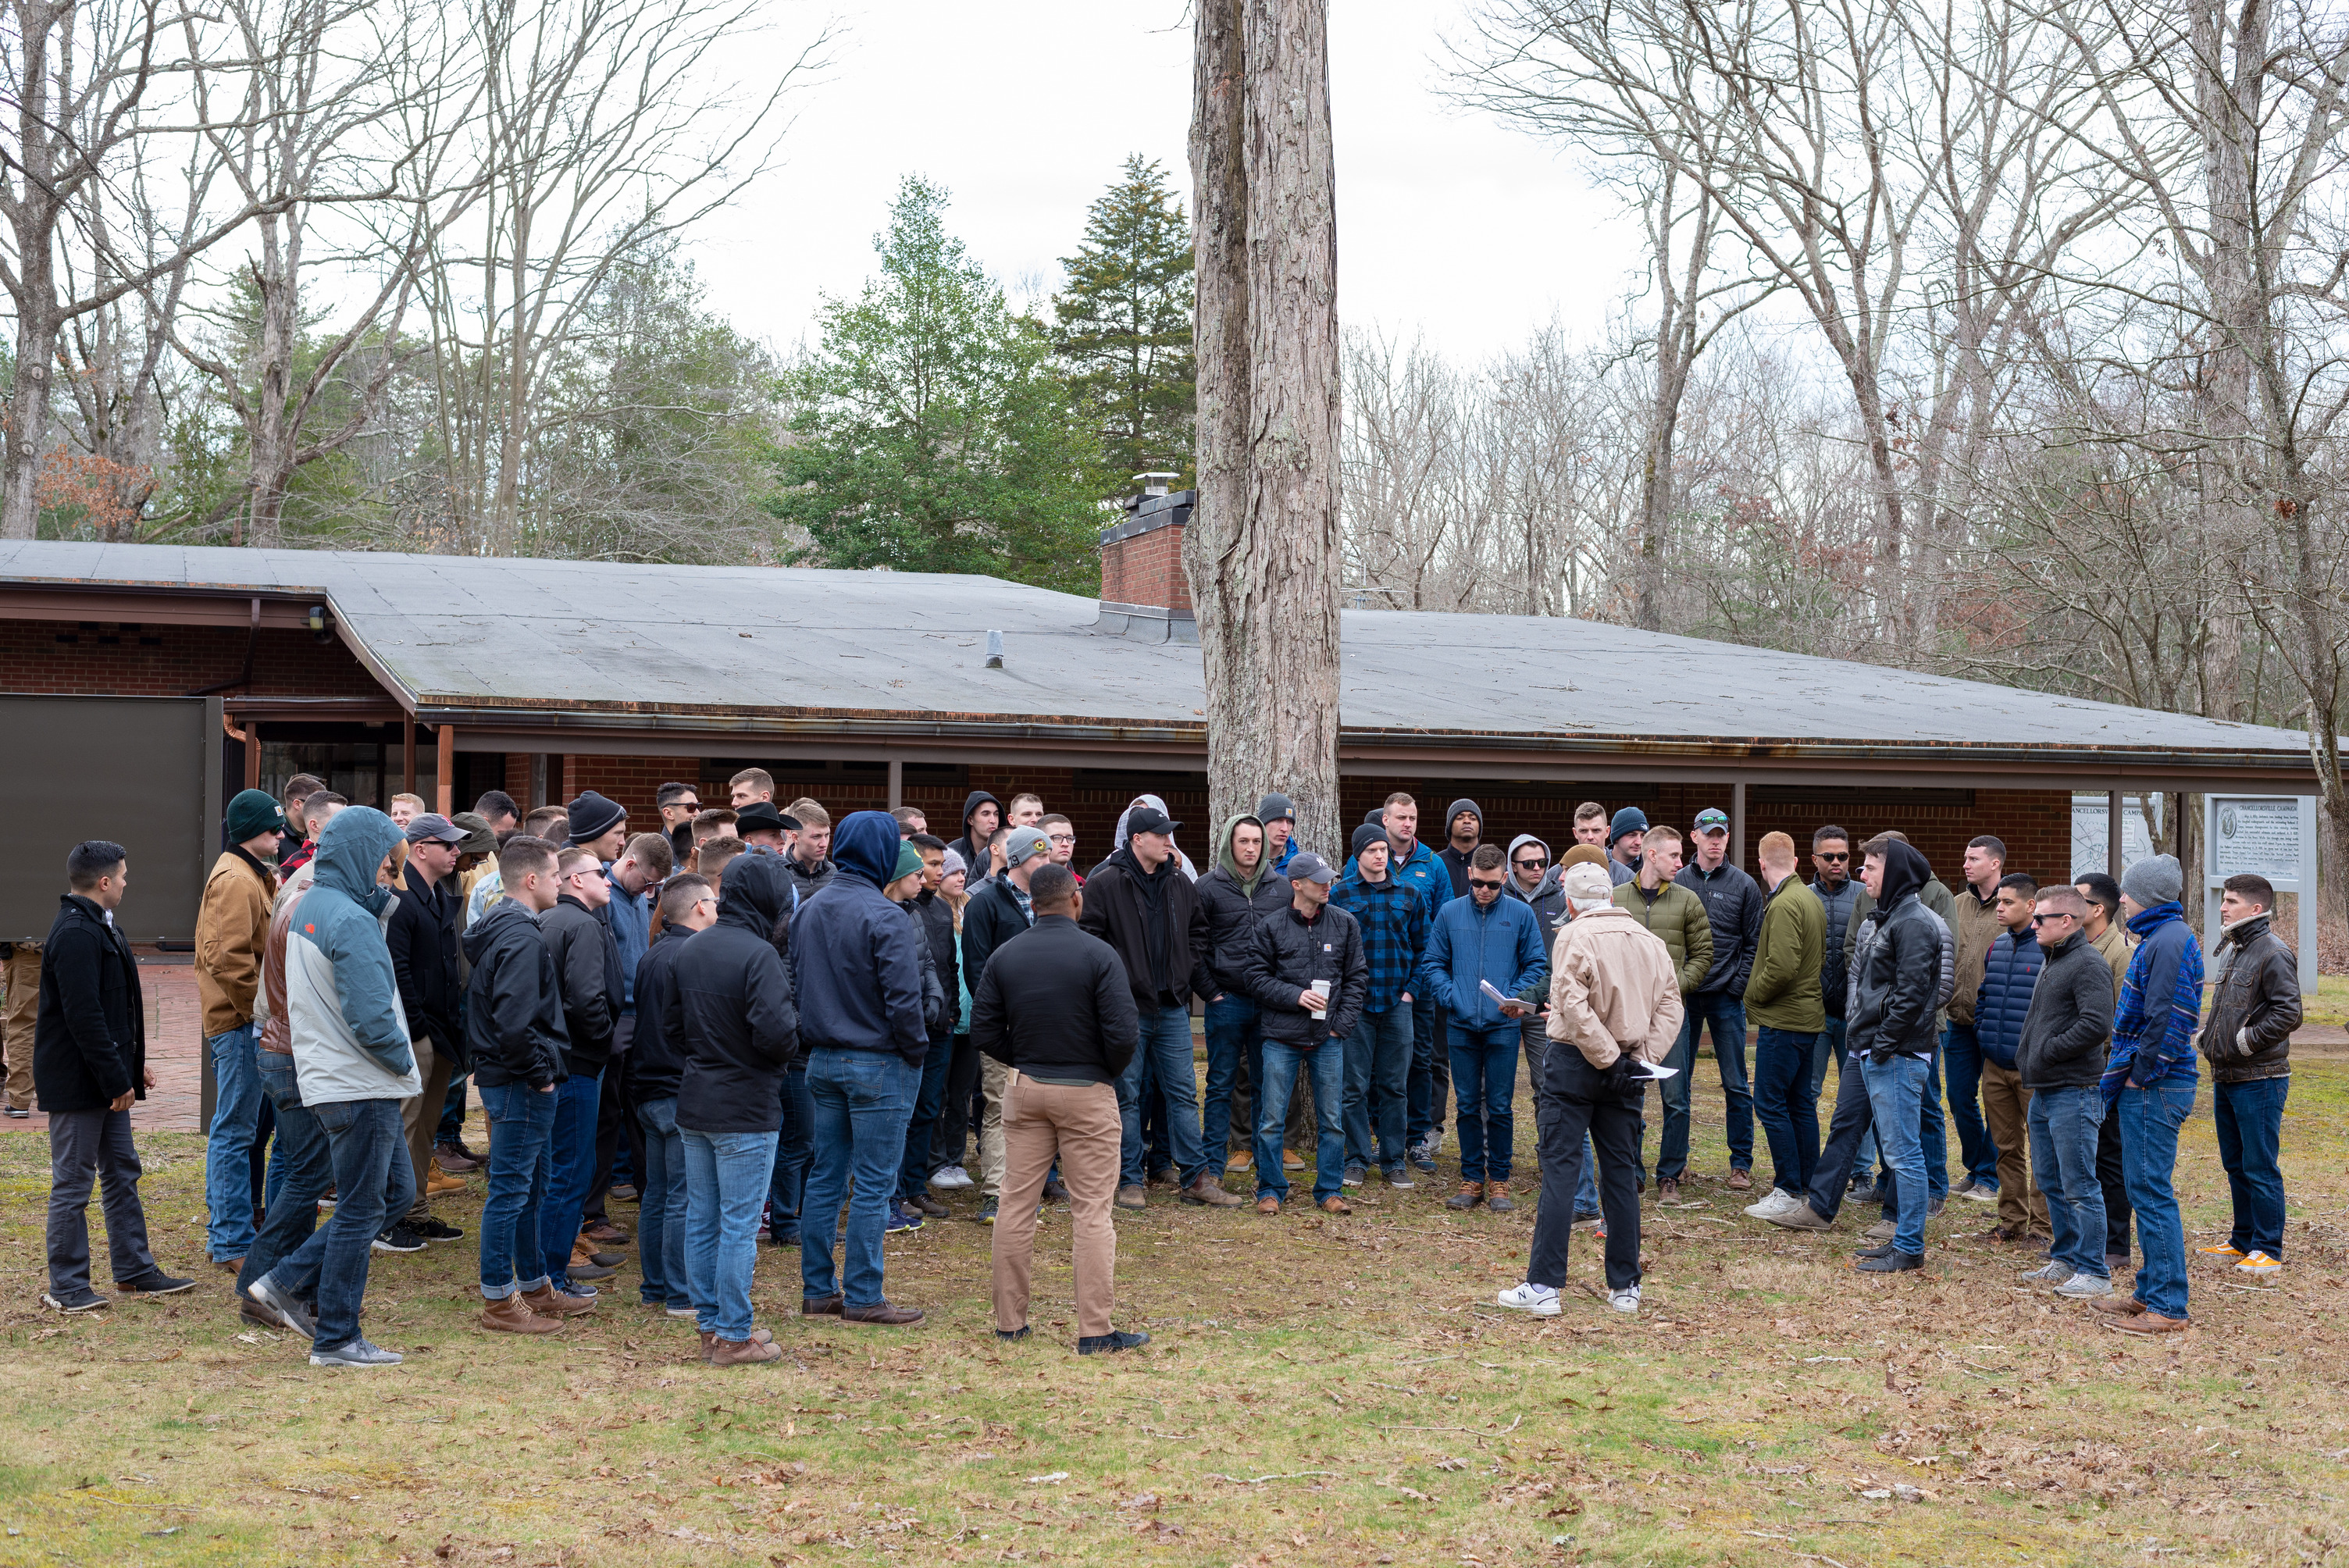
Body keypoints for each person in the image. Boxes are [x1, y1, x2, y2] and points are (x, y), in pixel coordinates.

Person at [247, 808, 421, 1366]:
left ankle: (287, 1283)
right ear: (362, 854)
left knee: (392, 1195)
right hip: (360, 1081)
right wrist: (404, 1064)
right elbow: (373, 1020)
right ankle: (337, 1335)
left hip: (335, 1078)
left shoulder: (315, 906)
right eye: (385, 862)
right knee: (360, 1208)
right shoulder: (345, 918)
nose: (389, 875)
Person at [975, 862, 1146, 1351]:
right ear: (1076, 899)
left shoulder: (1006, 955)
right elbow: (1123, 1033)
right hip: (1086, 1090)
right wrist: (1100, 1070)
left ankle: (1009, 1322)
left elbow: (985, 1031)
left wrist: (1025, 1057)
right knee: (1091, 1210)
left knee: (1014, 1203)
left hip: (1026, 1087)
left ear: (1032, 902)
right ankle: (1095, 1330)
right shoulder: (1099, 954)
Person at [1499, 861, 1682, 1317]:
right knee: (1620, 1173)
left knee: (1561, 1169)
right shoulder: (1651, 942)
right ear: (1611, 898)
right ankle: (1625, 1287)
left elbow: (1572, 1004)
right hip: (1627, 1066)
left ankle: (1544, 1285)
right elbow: (1671, 1005)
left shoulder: (1573, 936)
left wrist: (1610, 1058)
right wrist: (1640, 1060)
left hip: (1577, 1064)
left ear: (1570, 903)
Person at [37, 842, 194, 1312]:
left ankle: (134, 1270)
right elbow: (84, 1018)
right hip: (80, 1085)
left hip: (105, 1080)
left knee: (122, 1171)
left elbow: (114, 1010)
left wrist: (131, 1066)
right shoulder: (75, 934)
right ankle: (67, 1286)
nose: (127, 882)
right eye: (123, 875)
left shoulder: (102, 928)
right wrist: (115, 1079)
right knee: (74, 1182)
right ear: (104, 882)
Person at [793, 811, 930, 1324]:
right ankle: (865, 1295)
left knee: (826, 1177)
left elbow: (797, 981)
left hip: (822, 1059)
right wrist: (915, 1050)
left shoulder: (811, 906)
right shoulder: (885, 914)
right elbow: (903, 999)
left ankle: (818, 1289)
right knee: (874, 1183)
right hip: (878, 1061)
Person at [664, 851, 799, 1362]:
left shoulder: (692, 948)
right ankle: (734, 1334)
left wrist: (710, 1054)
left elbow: (672, 1028)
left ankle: (712, 1328)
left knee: (704, 1217)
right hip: (745, 1105)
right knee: (738, 1224)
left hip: (697, 1100)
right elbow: (777, 1034)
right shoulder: (758, 954)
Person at [1080, 804, 1238, 1210]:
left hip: (1171, 1007)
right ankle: (1130, 1180)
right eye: (1162, 835)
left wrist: (1183, 971)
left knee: (1184, 1093)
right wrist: (1116, 986)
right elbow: (1090, 942)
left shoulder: (1180, 884)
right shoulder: (1104, 883)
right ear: (1137, 840)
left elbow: (1198, 933)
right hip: (1125, 1009)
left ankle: (1196, 1179)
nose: (1170, 841)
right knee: (1127, 1095)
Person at [458, 836, 582, 1334]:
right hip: (519, 1083)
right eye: (555, 876)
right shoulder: (523, 938)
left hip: (514, 1078)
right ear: (531, 880)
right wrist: (540, 1076)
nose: (561, 884)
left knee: (533, 1186)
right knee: (511, 1190)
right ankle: (498, 1302)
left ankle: (533, 1286)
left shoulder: (506, 929)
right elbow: (514, 1023)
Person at [2093, 854, 2203, 1335]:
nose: (2122, 901)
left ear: (2149, 897)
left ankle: (2168, 1307)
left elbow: (2170, 1018)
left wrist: (2141, 1074)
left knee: (2152, 1194)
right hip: (2151, 1082)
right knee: (2143, 1189)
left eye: (2129, 893)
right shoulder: (2158, 938)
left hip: (2156, 1086)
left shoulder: (2169, 941)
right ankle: (2148, 1290)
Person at [1237, 853, 1367, 1214]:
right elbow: (1254, 977)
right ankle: (1270, 1190)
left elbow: (1357, 977)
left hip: (1328, 1038)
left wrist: (1341, 1026)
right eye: (1319, 880)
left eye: (1329, 879)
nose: (1328, 885)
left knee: (1331, 1120)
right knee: (1271, 1120)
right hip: (1280, 1037)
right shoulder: (1271, 926)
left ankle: (1328, 1190)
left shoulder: (1345, 924)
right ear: (1297, 884)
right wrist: (1295, 996)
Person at [1422, 844, 1547, 1213]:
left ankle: (1500, 1179)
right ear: (1471, 876)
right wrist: (1453, 997)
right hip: (1461, 1024)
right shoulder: (1449, 913)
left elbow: (1537, 964)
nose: (1484, 891)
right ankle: (1472, 1177)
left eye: (1492, 885)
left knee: (1500, 1106)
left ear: (1504, 878)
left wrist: (1516, 998)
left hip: (1502, 1025)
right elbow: (1433, 964)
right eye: (1477, 883)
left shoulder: (1521, 915)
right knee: (1466, 1105)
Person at [197, 789, 287, 1270]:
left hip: (247, 1021)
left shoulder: (254, 873)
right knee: (234, 1131)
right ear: (251, 832)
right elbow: (227, 958)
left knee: (248, 1129)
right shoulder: (235, 878)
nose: (280, 836)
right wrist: (260, 1014)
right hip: (238, 1024)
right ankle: (230, 1241)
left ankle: (239, 1228)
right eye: (274, 830)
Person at [1845, 838, 1944, 1272]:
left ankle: (1909, 1247)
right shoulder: (1890, 917)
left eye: (1869, 867)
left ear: (1895, 872)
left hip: (1899, 1054)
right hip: (1882, 1050)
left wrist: (1882, 1046)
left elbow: (1911, 995)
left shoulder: (1915, 923)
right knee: (1897, 1152)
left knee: (1905, 1154)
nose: (1861, 874)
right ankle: (1902, 1241)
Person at [2194, 873, 2301, 1278]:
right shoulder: (2236, 949)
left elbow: (2289, 1012)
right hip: (2228, 1076)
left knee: (2259, 1164)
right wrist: (2209, 1037)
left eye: (2232, 901)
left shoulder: (2272, 951)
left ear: (2256, 909)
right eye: (2224, 900)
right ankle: (2242, 1239)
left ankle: (2268, 1248)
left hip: (2261, 1077)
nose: (2223, 907)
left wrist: (2242, 1042)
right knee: (2235, 1163)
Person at [2013, 885, 2117, 1299]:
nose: (2033, 923)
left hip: (2074, 1091)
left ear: (2067, 923)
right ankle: (2067, 1258)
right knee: (2051, 1181)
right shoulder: (2053, 960)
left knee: (2079, 1184)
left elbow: (2096, 1025)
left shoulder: (2087, 964)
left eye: (2041, 918)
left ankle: (2094, 1272)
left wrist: (2048, 1051)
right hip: (2045, 1090)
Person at [540, 846, 625, 1293]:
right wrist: (607, 1043)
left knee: (556, 1169)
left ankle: (551, 1262)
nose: (608, 880)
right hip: (578, 1062)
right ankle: (553, 1275)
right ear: (576, 880)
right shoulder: (583, 925)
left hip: (554, 1059)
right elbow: (586, 1000)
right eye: (600, 873)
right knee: (572, 1170)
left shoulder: (550, 919)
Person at [1610, 825, 1710, 1199]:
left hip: (1671, 1017)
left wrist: (1672, 991)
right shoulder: (1616, 897)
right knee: (1627, 1092)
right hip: (1626, 1015)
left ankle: (1670, 1173)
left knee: (1676, 1096)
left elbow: (1703, 955)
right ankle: (1631, 1171)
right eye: (1674, 856)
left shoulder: (1687, 901)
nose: (1680, 863)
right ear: (1652, 855)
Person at [385, 813, 469, 1247]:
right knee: (404, 1125)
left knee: (425, 1128)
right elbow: (397, 971)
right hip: (419, 1034)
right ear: (420, 849)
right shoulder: (401, 901)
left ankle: (414, 1210)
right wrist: (417, 1030)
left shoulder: (436, 895)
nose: (457, 852)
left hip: (439, 1033)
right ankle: (388, 1218)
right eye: (448, 845)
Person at [633, 874, 714, 1320]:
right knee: (682, 1195)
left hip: (647, 1086)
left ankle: (655, 1287)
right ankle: (680, 1293)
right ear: (700, 906)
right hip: (676, 1087)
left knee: (658, 1195)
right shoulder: (691, 953)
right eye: (715, 901)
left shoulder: (653, 953)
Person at [1332, 823, 1428, 1190]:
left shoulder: (1410, 894)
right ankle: (1356, 1159)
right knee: (1353, 1087)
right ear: (1358, 855)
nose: (1379, 855)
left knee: (1394, 1086)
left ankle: (1392, 1160)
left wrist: (1410, 991)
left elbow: (1424, 948)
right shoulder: (1339, 895)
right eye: (1372, 850)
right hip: (1354, 1006)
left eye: (1384, 850)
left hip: (1396, 1003)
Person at [1197, 814, 1290, 1185]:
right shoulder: (1207, 888)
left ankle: (1268, 1171)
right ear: (1229, 844)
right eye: (1243, 842)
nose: (1251, 849)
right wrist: (1211, 993)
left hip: (1269, 1004)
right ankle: (1213, 1169)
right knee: (1220, 1085)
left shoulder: (1281, 889)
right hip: (1226, 1001)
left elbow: (1290, 946)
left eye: (1256, 842)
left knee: (1268, 1086)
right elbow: (1195, 948)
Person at [959, 827, 1045, 1220]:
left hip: (1048, 1026)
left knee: (1040, 1109)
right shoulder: (985, 903)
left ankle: (1031, 1184)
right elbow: (977, 970)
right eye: (1038, 857)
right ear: (1017, 860)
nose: (1047, 863)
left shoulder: (1051, 901)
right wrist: (1002, 1020)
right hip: (1005, 1027)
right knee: (999, 1105)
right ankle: (996, 1191)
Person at [1741, 832, 1826, 1221]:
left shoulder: (1784, 903)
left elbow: (1782, 965)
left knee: (1771, 1103)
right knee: (1799, 1103)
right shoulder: (1809, 897)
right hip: (1806, 1019)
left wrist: (1752, 994)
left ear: (1761, 864)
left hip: (1784, 1019)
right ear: (1794, 861)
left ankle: (1789, 1188)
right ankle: (1808, 1184)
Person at [1676, 807, 1762, 1190]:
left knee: (1736, 1083)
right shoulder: (1678, 880)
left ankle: (1740, 1164)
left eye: (1722, 834)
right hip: (1685, 996)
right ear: (1694, 836)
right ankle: (1676, 1162)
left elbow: (1753, 942)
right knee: (1679, 1081)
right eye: (1709, 833)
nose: (1716, 839)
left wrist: (1736, 986)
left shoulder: (1744, 885)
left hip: (1726, 998)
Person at [1971, 872, 2051, 1245]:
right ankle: (2011, 1222)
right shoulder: (1998, 946)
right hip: (1996, 1066)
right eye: (1998, 902)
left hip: (2034, 1070)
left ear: (2031, 906)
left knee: (2043, 1151)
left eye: (2007, 903)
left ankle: (2042, 1229)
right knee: (2006, 1147)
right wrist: (1984, 1037)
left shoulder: (2050, 948)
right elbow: (1984, 996)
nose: (1999, 908)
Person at [1374, 793, 1452, 1170]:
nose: (1408, 824)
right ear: (1385, 820)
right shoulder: (1367, 858)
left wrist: (1422, 981)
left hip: (1419, 983)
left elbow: (1443, 925)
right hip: (1376, 982)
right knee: (1377, 1062)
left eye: (1413, 817)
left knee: (1420, 1059)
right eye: (1401, 817)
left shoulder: (1433, 864)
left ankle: (1417, 1137)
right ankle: (1380, 1134)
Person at [880, 838, 949, 1231]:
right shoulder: (880, 914)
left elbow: (929, 964)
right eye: (920, 870)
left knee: (923, 1111)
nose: (927, 877)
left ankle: (911, 1188)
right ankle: (891, 1198)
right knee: (894, 1119)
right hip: (898, 1034)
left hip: (929, 1024)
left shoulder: (922, 911)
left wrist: (936, 1000)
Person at [1944, 836, 2009, 1205]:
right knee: (1957, 1096)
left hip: (1997, 1022)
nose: (1966, 864)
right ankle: (1976, 1168)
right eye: (1965, 857)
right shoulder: (1957, 905)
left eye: (1973, 858)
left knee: (1996, 1100)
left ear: (1995, 863)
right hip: (1958, 1019)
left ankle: (1989, 1176)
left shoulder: (2011, 906)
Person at [2075, 871, 2134, 1270]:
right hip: (2079, 1073)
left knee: (2110, 1160)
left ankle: (2116, 1245)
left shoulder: (2120, 955)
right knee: (2086, 1160)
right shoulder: (2074, 947)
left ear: (2097, 910)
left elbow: (2118, 1023)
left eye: (2077, 899)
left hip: (2106, 1075)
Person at [1806, 827, 1870, 1199]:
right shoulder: (1803, 897)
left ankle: (1861, 1172)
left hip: (1854, 1015)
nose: (1836, 863)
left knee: (1859, 1098)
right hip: (1814, 1015)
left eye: (1843, 856)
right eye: (1828, 856)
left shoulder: (1865, 896)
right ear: (1814, 859)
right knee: (1808, 1093)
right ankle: (1816, 1168)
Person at [780, 799, 837, 903]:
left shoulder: (835, 875)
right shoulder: (778, 874)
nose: (824, 844)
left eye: (827, 835)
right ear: (796, 838)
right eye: (816, 837)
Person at [279, 790, 345, 876]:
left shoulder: (349, 859)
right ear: (314, 825)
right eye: (338, 819)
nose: (346, 824)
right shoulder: (293, 866)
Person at [947, 790, 1003, 876]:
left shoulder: (1007, 851)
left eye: (996, 814)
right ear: (970, 820)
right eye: (986, 814)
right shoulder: (952, 852)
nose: (993, 820)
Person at [1437, 800, 1484, 899]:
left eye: (1473, 818)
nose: (1467, 821)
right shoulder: (1436, 863)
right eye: (1460, 818)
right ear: (1450, 826)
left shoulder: (1494, 864)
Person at [1257, 793, 1300, 875]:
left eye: (1289, 822)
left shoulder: (1302, 866)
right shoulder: (1245, 862)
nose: (1285, 829)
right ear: (1262, 824)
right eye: (1278, 820)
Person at [1606, 807, 1646, 887]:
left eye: (1643, 836)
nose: (1639, 842)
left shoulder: (1651, 868)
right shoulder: (1599, 864)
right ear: (1616, 837)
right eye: (1632, 835)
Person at [1503, 835, 1549, 902]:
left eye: (1542, 862)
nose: (1537, 868)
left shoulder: (1561, 897)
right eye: (1529, 863)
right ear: (1514, 866)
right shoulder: (1498, 896)